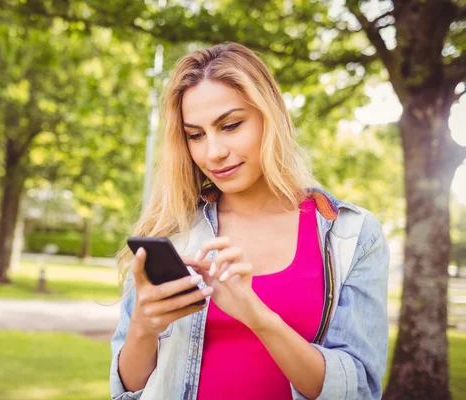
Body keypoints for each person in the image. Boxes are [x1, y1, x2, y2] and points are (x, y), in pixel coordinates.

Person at [110, 42, 389, 400]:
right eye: (195, 135)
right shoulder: (172, 232)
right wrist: (143, 328)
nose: (213, 152)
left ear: (271, 116)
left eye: (230, 125)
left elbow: (359, 390)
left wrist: (258, 316)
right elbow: (129, 390)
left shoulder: (351, 235)